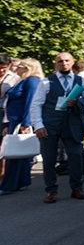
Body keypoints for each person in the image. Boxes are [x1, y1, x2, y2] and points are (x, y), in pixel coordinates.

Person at [30, 52, 84, 203]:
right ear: (55, 64)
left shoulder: (80, 80)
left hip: (72, 124)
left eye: (66, 61)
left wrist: (79, 103)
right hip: (50, 124)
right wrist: (38, 125)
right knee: (49, 159)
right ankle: (51, 190)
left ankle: (77, 188)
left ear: (72, 63)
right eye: (60, 61)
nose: (63, 63)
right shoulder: (46, 82)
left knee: (76, 157)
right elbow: (36, 104)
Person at [0, 58, 43, 195]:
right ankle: (20, 182)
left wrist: (26, 123)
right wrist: (7, 123)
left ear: (27, 68)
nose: (15, 68)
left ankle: (9, 185)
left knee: (16, 153)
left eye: (19, 66)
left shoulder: (32, 81)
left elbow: (31, 103)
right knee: (19, 153)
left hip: (20, 122)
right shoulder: (23, 81)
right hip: (13, 120)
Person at [0, 54, 22, 179]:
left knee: (3, 144)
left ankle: (3, 174)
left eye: (4, 67)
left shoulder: (14, 78)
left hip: (5, 112)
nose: (2, 71)